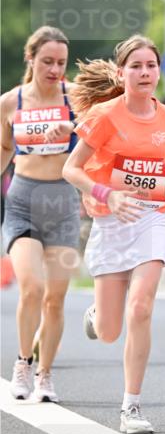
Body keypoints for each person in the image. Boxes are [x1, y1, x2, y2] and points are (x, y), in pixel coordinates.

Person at [63, 35, 165, 434]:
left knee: (142, 307)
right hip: (111, 220)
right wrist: (106, 194)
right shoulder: (104, 116)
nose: (145, 73)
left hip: (151, 216)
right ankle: (97, 314)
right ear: (122, 72)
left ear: (158, 71)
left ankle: (131, 406)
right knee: (110, 331)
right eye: (136, 66)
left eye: (151, 65)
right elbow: (72, 169)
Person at [1, 26, 80, 403]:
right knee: (31, 287)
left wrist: (74, 124)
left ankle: (45, 376)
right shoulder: (9, 102)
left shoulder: (76, 97)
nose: (54, 69)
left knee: (55, 297)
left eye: (61, 63)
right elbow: (4, 150)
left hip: (63, 203)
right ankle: (23, 363)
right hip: (23, 201)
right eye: (47, 61)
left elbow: (105, 130)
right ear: (30, 58)